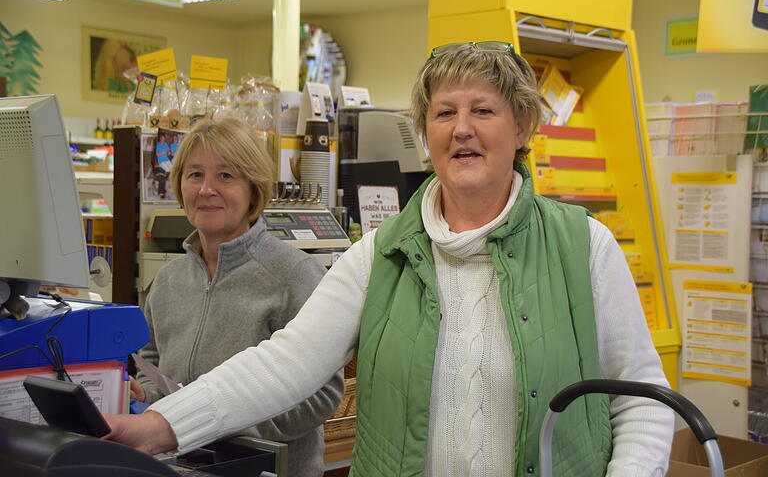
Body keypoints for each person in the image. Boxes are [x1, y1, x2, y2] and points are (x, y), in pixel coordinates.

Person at [105, 42, 674, 476]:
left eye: (484, 110)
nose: (463, 130)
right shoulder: (381, 254)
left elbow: (641, 399)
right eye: (444, 112)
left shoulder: (584, 247)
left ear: (523, 126)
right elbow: (286, 363)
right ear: (425, 134)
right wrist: (161, 425)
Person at [129, 117, 344, 477]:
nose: (206, 189)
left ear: (253, 189)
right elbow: (153, 364)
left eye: (226, 176)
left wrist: (221, 422)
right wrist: (146, 397)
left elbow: (321, 395)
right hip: (184, 466)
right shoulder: (167, 281)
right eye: (194, 174)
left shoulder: (294, 275)